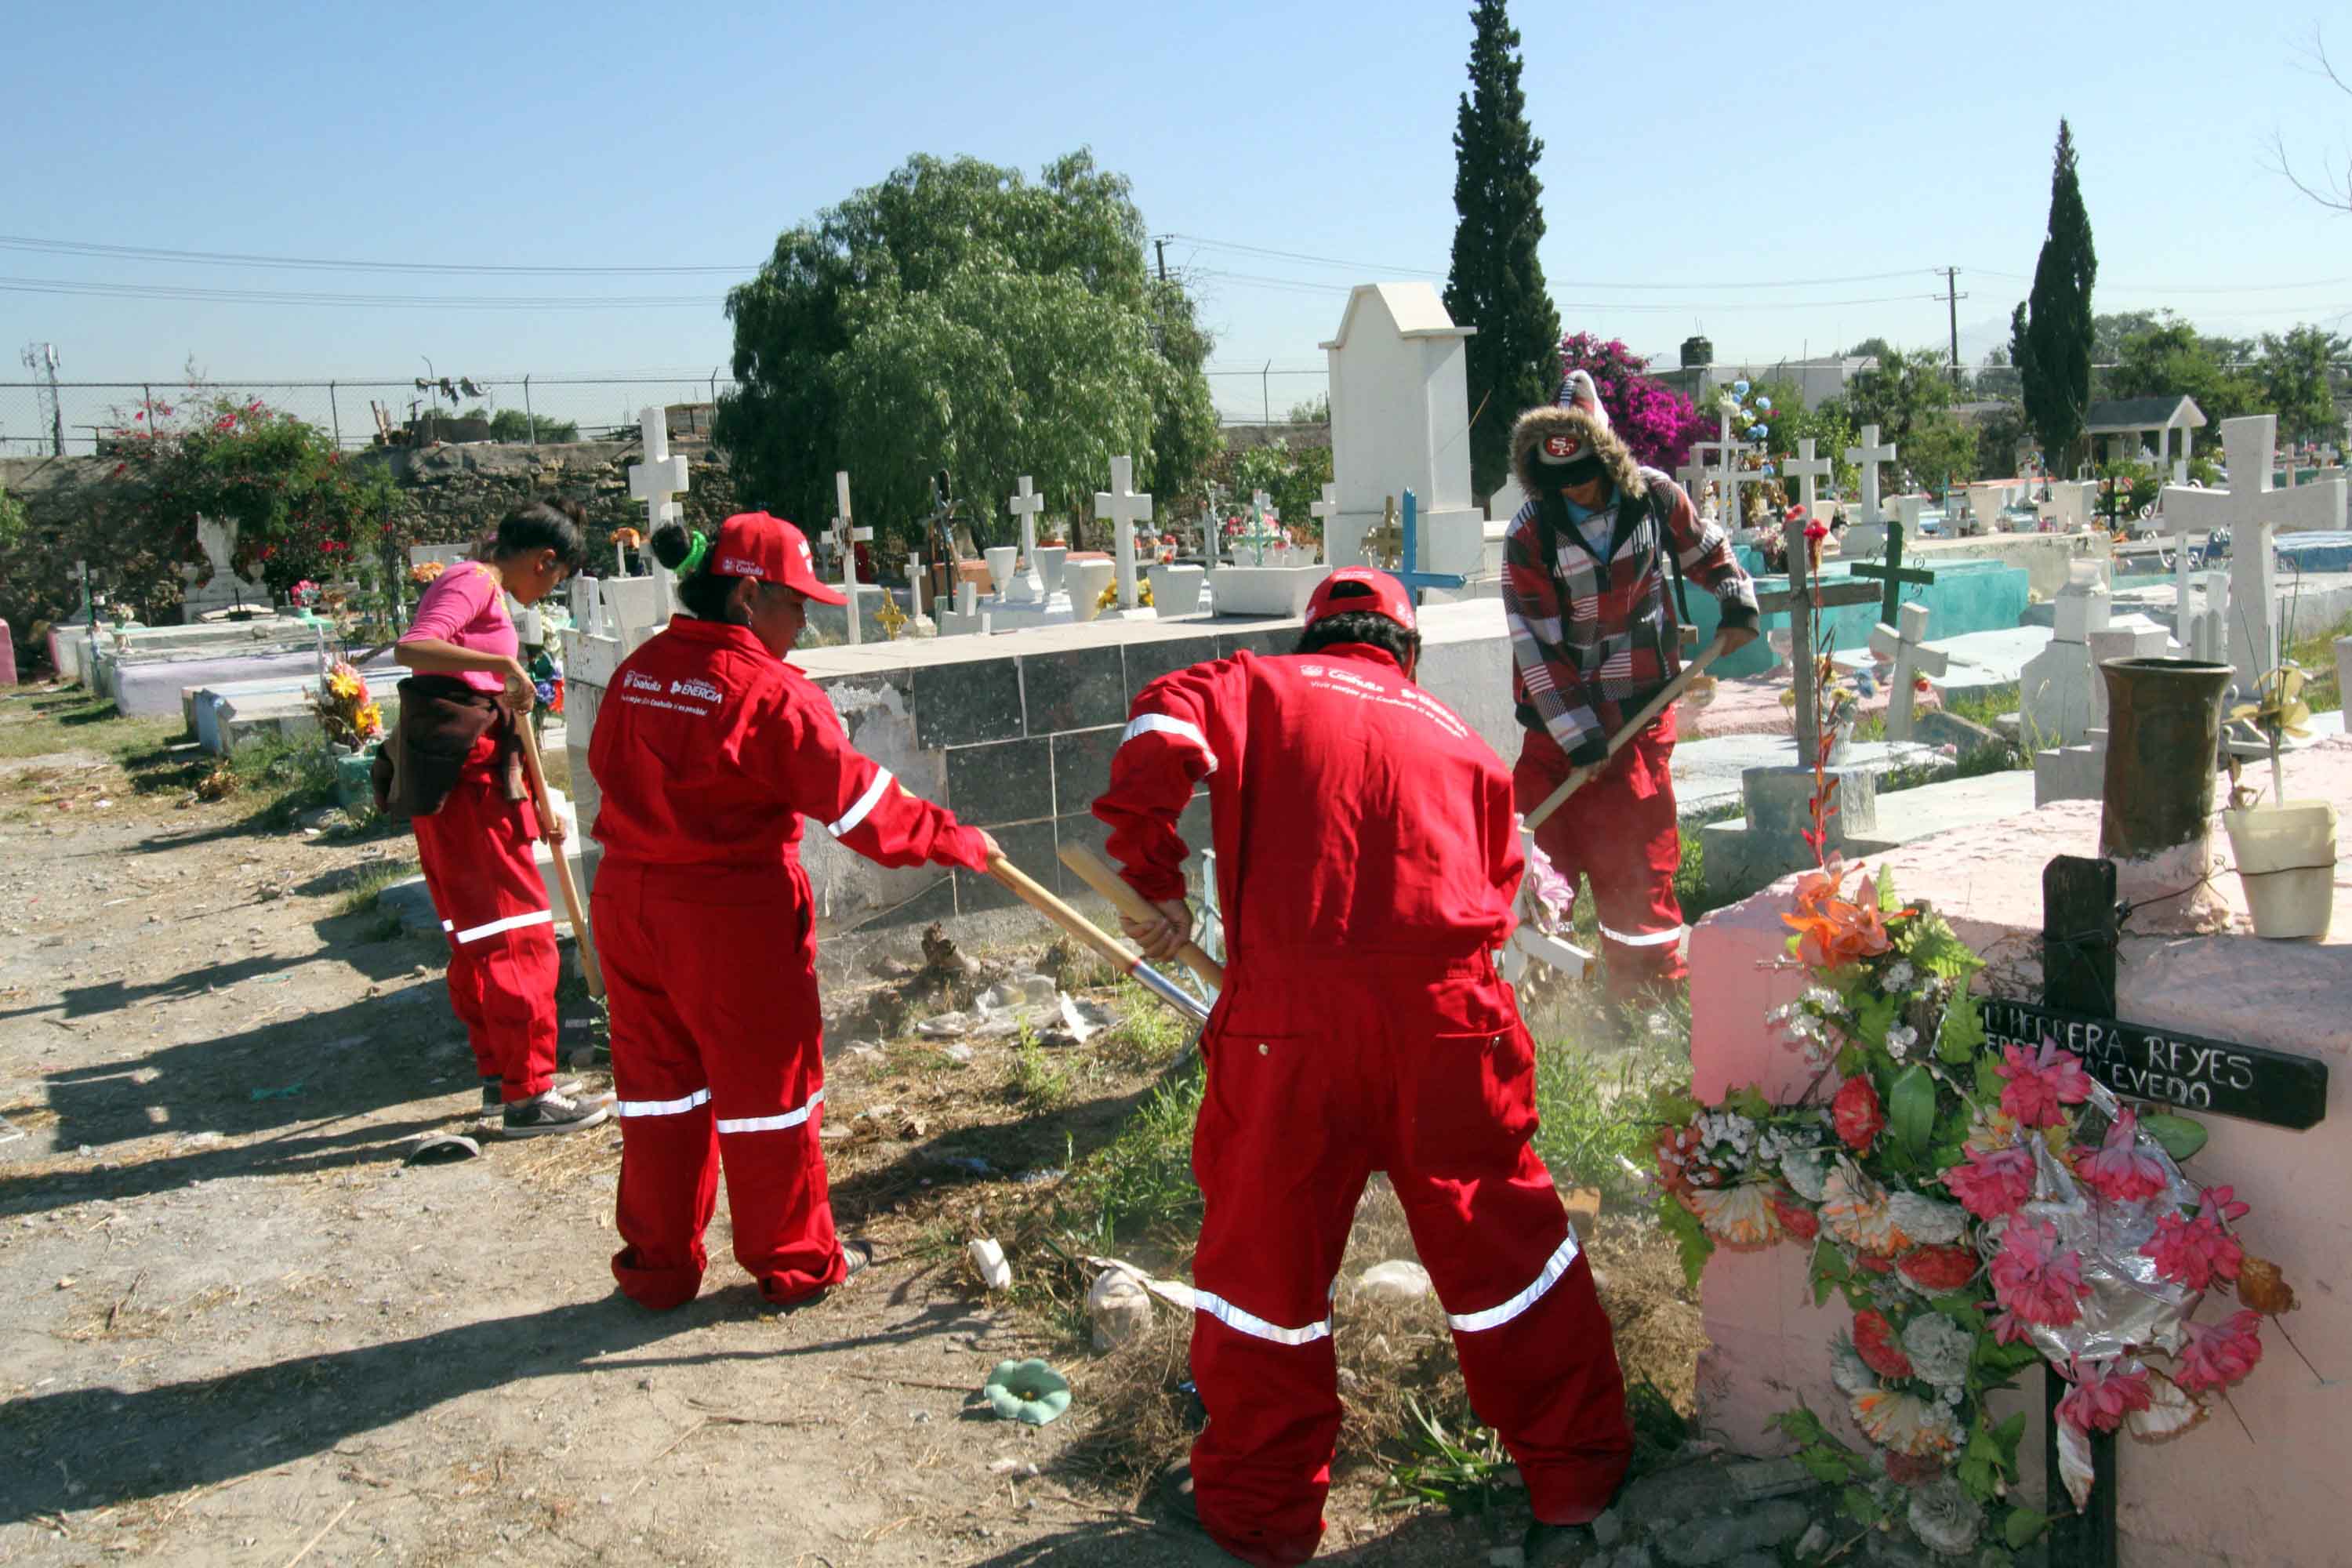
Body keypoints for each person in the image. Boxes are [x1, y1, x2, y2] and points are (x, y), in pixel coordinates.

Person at [1096, 568, 1632, 1568]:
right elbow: (1498, 891)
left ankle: (1264, 1519)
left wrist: (1154, 878)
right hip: (1449, 1023)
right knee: (1509, 1254)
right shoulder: (1464, 743)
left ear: (1314, 640)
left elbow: (1155, 738)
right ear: (1408, 653)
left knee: (1266, 1275)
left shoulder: (1250, 683)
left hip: (1289, 1031)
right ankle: (1576, 1481)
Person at [587, 512, 999, 1312]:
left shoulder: (641, 669)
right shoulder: (768, 691)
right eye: (796, 605)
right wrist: (957, 840)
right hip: (727, 914)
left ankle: (658, 1264)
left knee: (659, 1092)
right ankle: (795, 1260)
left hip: (629, 903)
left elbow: (608, 764)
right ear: (746, 593)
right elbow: (862, 810)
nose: (803, 624)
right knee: (769, 1092)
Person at [1502, 371, 1759, 997]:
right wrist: (1577, 735)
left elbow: (1706, 548)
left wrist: (1735, 596)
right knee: (1537, 866)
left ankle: (1644, 998)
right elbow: (1535, 642)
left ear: (1608, 458)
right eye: (1561, 481)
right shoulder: (1530, 533)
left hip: (1642, 716)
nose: (1577, 490)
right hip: (1555, 734)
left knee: (1640, 865)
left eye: (1585, 474)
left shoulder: (1655, 499)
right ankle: (1542, 1004)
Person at [387, 502, 604, 1136]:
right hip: (468, 786)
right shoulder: (474, 582)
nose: (546, 592)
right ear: (543, 561)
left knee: (482, 935)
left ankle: (502, 1079)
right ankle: (529, 1095)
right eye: (554, 580)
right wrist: (501, 666)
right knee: (516, 932)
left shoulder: (482, 587)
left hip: (475, 783)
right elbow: (414, 647)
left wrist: (539, 800)